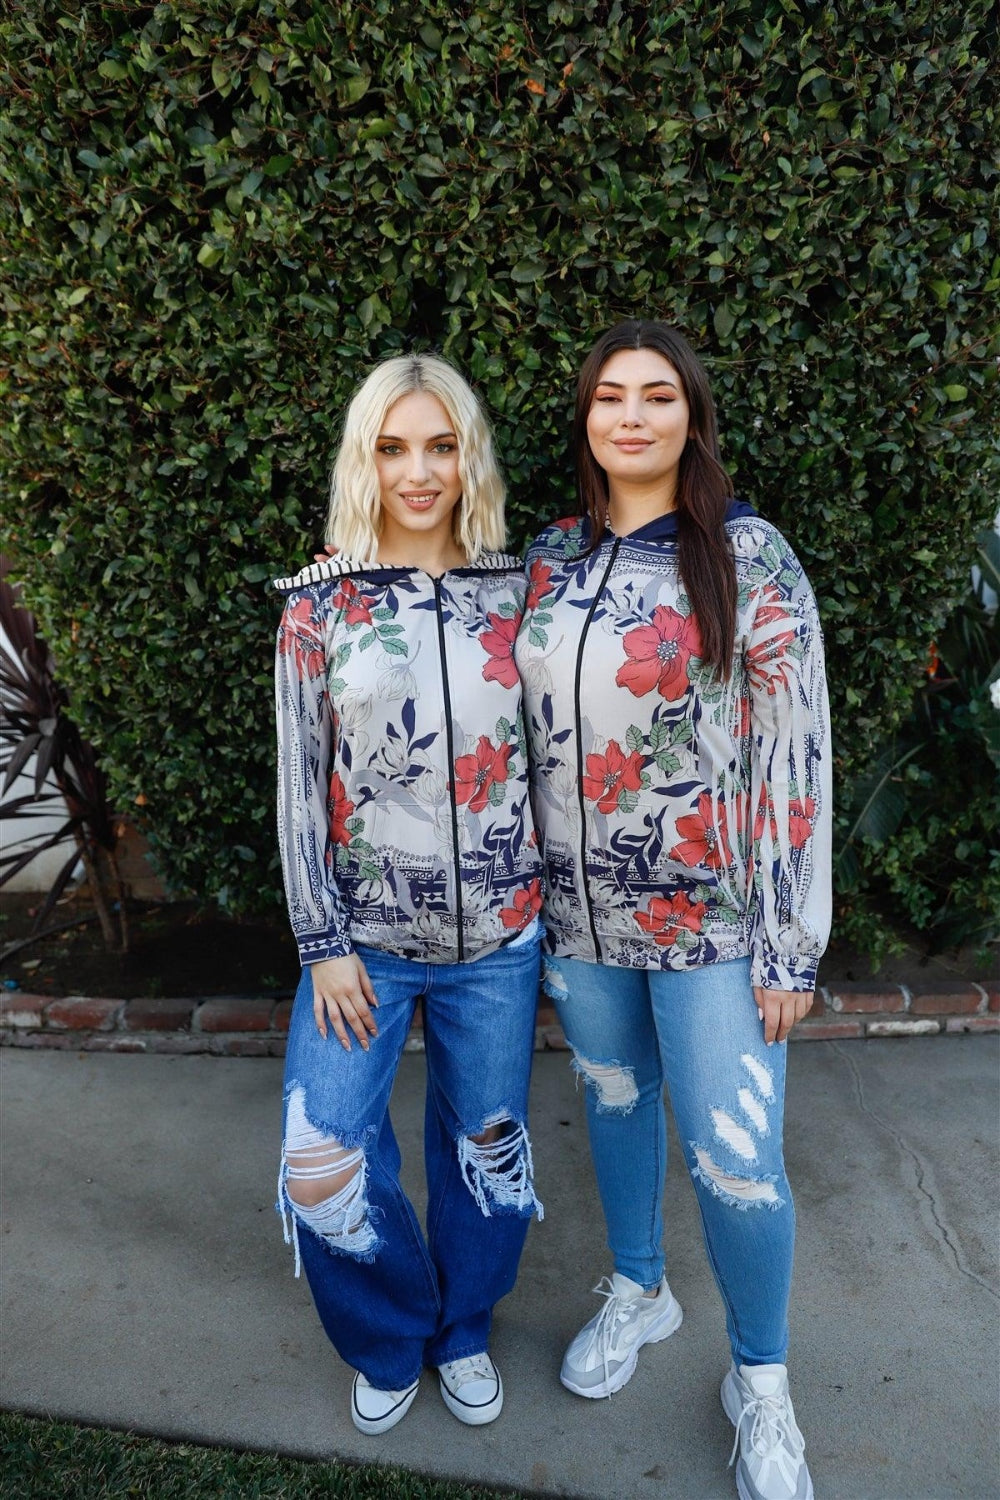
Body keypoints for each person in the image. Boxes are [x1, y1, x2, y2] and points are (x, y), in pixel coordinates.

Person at [516, 320, 831, 1500]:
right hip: (579, 926)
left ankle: (760, 1384)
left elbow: (799, 754)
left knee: (738, 1165)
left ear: (692, 419)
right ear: (586, 419)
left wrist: (790, 941)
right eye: (609, 396)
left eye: (657, 396)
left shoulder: (748, 555)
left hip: (713, 926)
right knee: (611, 1105)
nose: (632, 416)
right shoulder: (548, 558)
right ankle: (640, 1290)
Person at [273, 354, 544, 1437]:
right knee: (321, 1150)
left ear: (466, 452)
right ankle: (392, 1329)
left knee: (486, 1144)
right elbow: (299, 787)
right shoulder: (318, 605)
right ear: (364, 459)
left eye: (440, 445)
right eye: (393, 447)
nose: (419, 471)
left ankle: (465, 1327)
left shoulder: (520, 592)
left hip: (500, 939)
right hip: (363, 944)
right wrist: (319, 939)